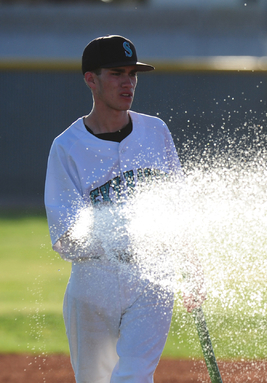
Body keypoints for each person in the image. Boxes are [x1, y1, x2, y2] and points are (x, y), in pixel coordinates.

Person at [44, 35, 203, 382]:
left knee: (133, 377)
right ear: (91, 79)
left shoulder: (156, 131)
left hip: (153, 276)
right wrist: (115, 238)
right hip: (94, 281)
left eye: (133, 73)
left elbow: (180, 206)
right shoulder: (67, 147)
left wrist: (193, 269)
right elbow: (65, 237)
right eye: (117, 73)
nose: (128, 82)